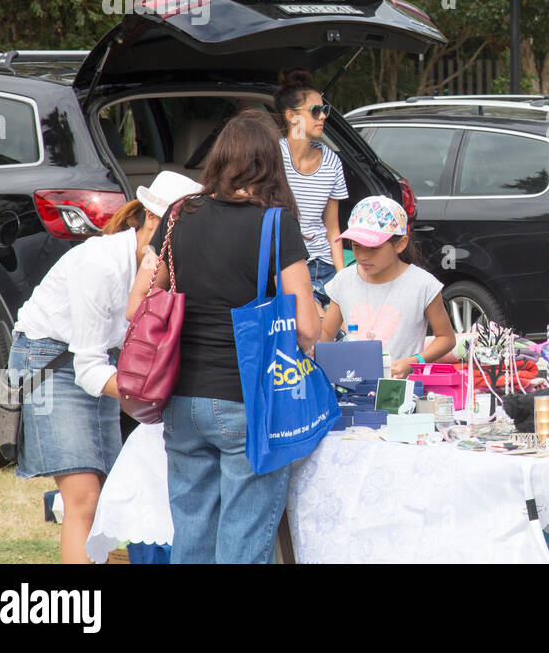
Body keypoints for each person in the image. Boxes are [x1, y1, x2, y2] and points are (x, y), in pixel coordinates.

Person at [129, 109, 319, 564]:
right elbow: (308, 327)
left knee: (191, 537)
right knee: (242, 543)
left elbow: (139, 303)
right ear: (270, 163)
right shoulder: (276, 224)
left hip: (180, 399)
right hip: (246, 400)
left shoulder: (179, 214)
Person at [8, 171, 202, 563]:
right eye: (180, 232)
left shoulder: (166, 268)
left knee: (113, 496)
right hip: (50, 359)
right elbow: (88, 368)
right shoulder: (100, 263)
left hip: (104, 364)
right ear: (152, 220)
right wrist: (155, 391)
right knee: (85, 497)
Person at [319, 196, 456, 378]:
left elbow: (446, 338)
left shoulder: (422, 284)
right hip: (351, 387)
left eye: (373, 248)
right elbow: (327, 333)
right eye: (356, 246)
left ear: (400, 244)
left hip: (401, 391)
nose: (363, 256)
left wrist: (414, 361)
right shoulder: (344, 280)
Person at [274, 68, 348, 306]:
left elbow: (333, 229)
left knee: (336, 336)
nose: (323, 116)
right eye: (315, 111)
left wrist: (343, 280)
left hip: (324, 267)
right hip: (283, 266)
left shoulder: (332, 162)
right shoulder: (272, 157)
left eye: (325, 110)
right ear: (291, 116)